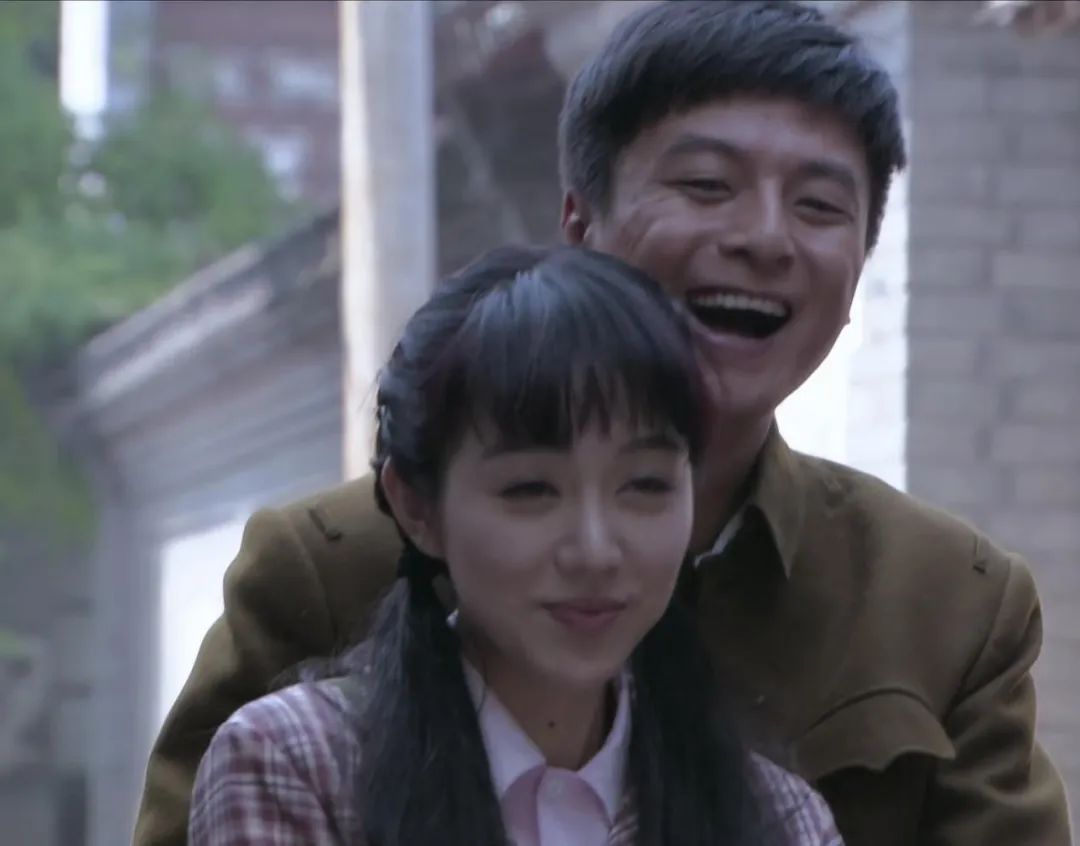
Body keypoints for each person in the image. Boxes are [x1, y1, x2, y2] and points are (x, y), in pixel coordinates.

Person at [136, 2, 1073, 845]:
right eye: (706, 185)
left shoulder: (946, 603)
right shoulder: (321, 575)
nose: (764, 238)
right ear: (581, 226)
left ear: (862, 260)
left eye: (820, 206)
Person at [186, 245, 841, 845]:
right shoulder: (297, 763)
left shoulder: (780, 820)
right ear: (417, 507)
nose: (595, 551)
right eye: (531, 490)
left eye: (645, 485)